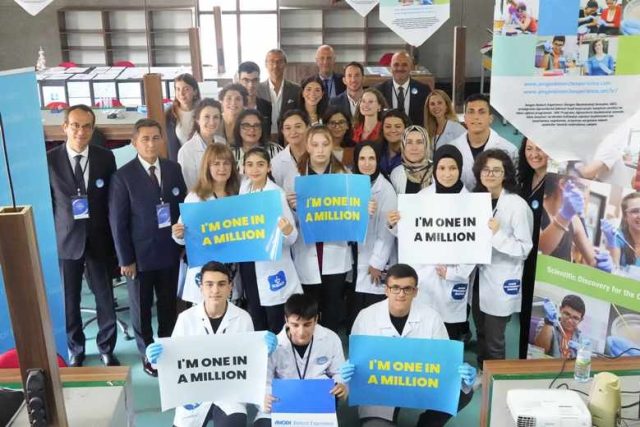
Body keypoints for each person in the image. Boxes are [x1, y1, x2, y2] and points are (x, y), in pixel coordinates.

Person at [145, 261, 276, 427]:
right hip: (194, 392)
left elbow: (250, 363)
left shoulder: (243, 318)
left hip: (230, 392)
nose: (215, 290)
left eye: (221, 284)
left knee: (234, 423)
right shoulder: (186, 319)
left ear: (230, 287)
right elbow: (173, 361)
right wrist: (156, 360)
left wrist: (263, 352)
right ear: (201, 288)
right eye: (209, 284)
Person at [348, 263, 477, 427]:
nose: (401, 294)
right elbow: (358, 362)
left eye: (407, 289)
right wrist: (349, 369)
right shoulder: (366, 317)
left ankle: (428, 423)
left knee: (463, 390)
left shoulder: (431, 317)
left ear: (415, 291)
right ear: (386, 290)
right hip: (380, 390)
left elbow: (444, 361)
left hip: (419, 383)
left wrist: (459, 373)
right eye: (395, 288)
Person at [109, 118, 187, 376]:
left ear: (162, 139)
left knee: (167, 305)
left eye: (155, 138)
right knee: (141, 309)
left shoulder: (173, 169)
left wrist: (184, 245)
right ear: (134, 142)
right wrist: (125, 259)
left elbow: (183, 208)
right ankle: (147, 353)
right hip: (139, 258)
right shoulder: (123, 177)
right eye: (145, 139)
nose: (151, 143)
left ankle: (167, 348)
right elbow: (118, 223)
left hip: (170, 252)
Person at [47, 104, 118, 367]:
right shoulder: (50, 160)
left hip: (99, 238)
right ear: (65, 127)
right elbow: (49, 204)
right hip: (66, 240)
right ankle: (76, 348)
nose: (81, 131)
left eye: (87, 126)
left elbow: (112, 200)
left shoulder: (105, 158)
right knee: (70, 299)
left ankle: (106, 347)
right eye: (75, 125)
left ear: (93, 128)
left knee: (105, 298)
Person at [287, 125, 353, 333]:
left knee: (333, 306)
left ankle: (330, 346)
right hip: (308, 250)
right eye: (315, 145)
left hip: (335, 250)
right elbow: (286, 221)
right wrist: (293, 208)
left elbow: (352, 215)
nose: (320, 149)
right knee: (309, 308)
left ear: (332, 146)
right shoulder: (295, 177)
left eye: (325, 144)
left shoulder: (344, 175)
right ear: (307, 146)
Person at [472, 149, 533, 368]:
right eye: (486, 169)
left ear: (505, 174)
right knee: (480, 332)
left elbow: (524, 249)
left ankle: (496, 379)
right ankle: (482, 372)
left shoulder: (517, 205)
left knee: (494, 340)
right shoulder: (475, 200)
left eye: (496, 170)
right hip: (477, 278)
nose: (490, 174)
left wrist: (497, 235)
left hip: (501, 279)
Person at [254, 293, 349, 427]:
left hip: (316, 403)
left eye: (307, 324)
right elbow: (264, 382)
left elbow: (339, 372)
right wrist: (264, 397)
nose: (301, 332)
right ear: (286, 320)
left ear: (316, 319)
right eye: (295, 325)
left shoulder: (331, 339)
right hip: (280, 404)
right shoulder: (273, 345)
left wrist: (341, 385)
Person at [238, 147, 302, 333]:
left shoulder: (277, 194)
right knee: (256, 313)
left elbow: (292, 237)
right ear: (243, 168)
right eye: (250, 164)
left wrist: (287, 230)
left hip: (273, 264)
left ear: (269, 167)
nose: (254, 169)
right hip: (250, 263)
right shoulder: (244, 190)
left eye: (260, 164)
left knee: (275, 318)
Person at [415, 145, 474, 341]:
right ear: (434, 170)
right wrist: (395, 223)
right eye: (441, 168)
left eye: (452, 168)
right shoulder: (422, 197)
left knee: (450, 335)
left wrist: (454, 273)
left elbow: (475, 245)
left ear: (460, 169)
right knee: (424, 331)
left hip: (453, 279)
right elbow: (410, 236)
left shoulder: (472, 202)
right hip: (425, 276)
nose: (447, 174)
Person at [171, 144, 241, 303]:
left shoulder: (238, 194)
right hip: (203, 271)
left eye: (226, 163)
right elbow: (182, 239)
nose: (222, 168)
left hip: (231, 268)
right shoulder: (195, 197)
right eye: (216, 164)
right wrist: (178, 234)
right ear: (207, 167)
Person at [351, 142, 397, 323]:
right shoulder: (350, 184)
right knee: (354, 313)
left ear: (378, 161)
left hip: (373, 261)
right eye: (362, 158)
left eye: (372, 158)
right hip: (353, 256)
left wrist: (377, 262)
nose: (367, 163)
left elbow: (387, 233)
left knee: (372, 311)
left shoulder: (385, 190)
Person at [539, 174, 612, 272]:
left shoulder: (574, 220)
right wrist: (564, 216)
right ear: (563, 184)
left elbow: (592, 260)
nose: (585, 196)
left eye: (587, 190)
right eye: (581, 187)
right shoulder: (536, 208)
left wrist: (603, 262)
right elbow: (540, 251)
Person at [517, 138, 548, 359]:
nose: (533, 154)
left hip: (544, 258)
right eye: (529, 149)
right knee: (524, 310)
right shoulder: (524, 179)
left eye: (539, 149)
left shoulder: (556, 182)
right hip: (523, 256)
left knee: (537, 310)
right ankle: (522, 358)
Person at [446, 93, 517, 190]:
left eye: (481, 112)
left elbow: (513, 186)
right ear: (465, 118)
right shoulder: (452, 148)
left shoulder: (509, 150)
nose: (476, 117)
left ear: (490, 119)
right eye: (471, 112)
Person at [177, 98, 225, 190]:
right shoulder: (186, 151)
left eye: (216, 117)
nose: (212, 122)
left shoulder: (222, 143)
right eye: (207, 117)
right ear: (197, 119)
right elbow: (191, 186)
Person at [375, 50, 430, 126]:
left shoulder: (423, 90)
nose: (400, 68)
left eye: (404, 65)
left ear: (411, 67)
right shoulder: (379, 91)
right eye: (396, 65)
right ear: (390, 67)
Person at [258, 49, 301, 135]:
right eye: (271, 62)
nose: (275, 66)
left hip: (288, 136)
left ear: (285, 64)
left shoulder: (296, 89)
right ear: (266, 65)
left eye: (279, 62)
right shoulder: (258, 90)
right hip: (264, 136)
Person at [534, 294, 586, 359]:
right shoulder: (547, 324)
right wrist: (548, 322)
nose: (569, 321)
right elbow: (539, 351)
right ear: (560, 309)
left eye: (575, 318)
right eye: (567, 314)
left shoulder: (580, 338)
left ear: (581, 320)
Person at [231, 109, 282, 174]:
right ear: (238, 128)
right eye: (246, 125)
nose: (252, 130)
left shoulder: (276, 150)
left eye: (256, 125)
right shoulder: (231, 154)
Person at [271, 110, 310, 189]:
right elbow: (276, 192)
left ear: (308, 127)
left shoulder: (319, 153)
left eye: (298, 126)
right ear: (283, 131)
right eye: (288, 128)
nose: (293, 132)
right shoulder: (276, 162)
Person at [389, 125, 434, 194]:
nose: (414, 148)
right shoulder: (396, 174)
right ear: (403, 146)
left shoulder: (437, 170)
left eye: (419, 142)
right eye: (409, 142)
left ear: (426, 145)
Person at [166, 73, 201, 161]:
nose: (181, 93)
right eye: (178, 89)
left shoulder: (203, 112)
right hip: (180, 162)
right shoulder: (169, 115)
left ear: (195, 91)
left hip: (202, 161)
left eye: (186, 89)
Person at [603, 192, 640, 271]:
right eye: (635, 211)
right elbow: (613, 270)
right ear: (625, 216)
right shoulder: (617, 237)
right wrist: (611, 244)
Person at [237, 61, 272, 137]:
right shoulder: (234, 107)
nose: (251, 85)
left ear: (259, 81)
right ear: (239, 81)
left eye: (254, 80)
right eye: (246, 80)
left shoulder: (267, 106)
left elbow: (268, 134)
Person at [378, 109, 411, 178]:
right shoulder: (375, 151)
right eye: (388, 127)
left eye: (398, 126)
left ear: (406, 128)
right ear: (382, 129)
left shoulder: (413, 153)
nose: (393, 130)